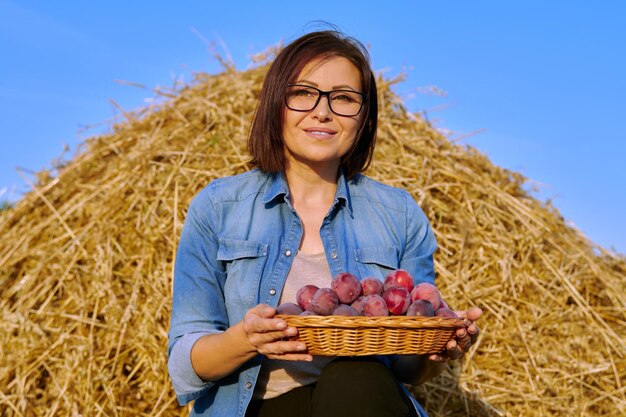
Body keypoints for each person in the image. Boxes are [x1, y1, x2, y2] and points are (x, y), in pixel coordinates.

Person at [167, 30, 482, 417]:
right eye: (303, 93)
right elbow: (185, 364)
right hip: (257, 409)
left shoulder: (398, 214)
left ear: (364, 116)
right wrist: (246, 340)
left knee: (355, 378)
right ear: (275, 104)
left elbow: (406, 368)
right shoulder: (219, 208)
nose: (323, 111)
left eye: (344, 98)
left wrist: (436, 351)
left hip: (362, 403)